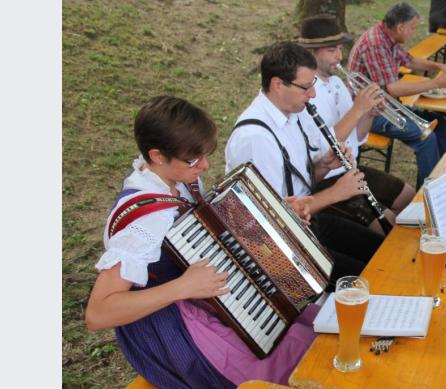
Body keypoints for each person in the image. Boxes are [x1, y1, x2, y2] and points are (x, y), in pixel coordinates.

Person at [85, 96, 321, 387]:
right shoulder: (144, 221)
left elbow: (207, 228)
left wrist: (276, 212)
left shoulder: (178, 180)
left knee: (312, 326)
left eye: (205, 154)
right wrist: (182, 287)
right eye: (194, 159)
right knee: (296, 359)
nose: (206, 165)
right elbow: (98, 313)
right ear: (158, 156)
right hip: (174, 326)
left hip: (205, 295)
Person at [226, 42, 386, 282]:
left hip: (307, 224)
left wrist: (323, 166)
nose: (312, 95)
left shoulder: (293, 114)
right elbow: (269, 218)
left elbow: (301, 183)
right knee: (367, 278)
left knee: (381, 252)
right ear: (278, 84)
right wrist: (335, 193)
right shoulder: (256, 138)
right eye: (306, 87)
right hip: (281, 244)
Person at [297, 14, 416, 234]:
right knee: (388, 225)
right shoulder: (305, 91)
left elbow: (358, 138)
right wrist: (357, 109)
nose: (339, 57)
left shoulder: (337, 84)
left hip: (350, 168)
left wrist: (368, 115)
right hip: (326, 179)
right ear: (311, 53)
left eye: (340, 49)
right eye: (332, 50)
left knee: (410, 196)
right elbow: (326, 149)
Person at [348, 2, 446, 186]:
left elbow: (409, 61)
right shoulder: (376, 43)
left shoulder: (388, 37)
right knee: (426, 138)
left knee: (439, 123)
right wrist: (435, 82)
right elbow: (392, 89)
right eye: (412, 28)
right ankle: (429, 191)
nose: (413, 32)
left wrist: (440, 66)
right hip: (369, 112)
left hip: (388, 105)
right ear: (400, 27)